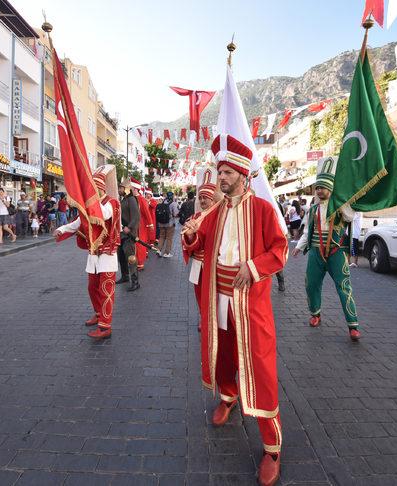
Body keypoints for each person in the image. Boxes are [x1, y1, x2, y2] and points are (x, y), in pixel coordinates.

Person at [182, 135, 287, 486]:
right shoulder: (214, 211)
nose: (221, 177)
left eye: (227, 172)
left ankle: (272, 448)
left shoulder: (262, 210)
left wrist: (254, 267)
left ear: (243, 174)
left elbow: (279, 249)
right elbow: (201, 244)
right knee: (224, 354)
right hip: (219, 298)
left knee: (260, 369)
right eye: (219, 171)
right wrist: (191, 235)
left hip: (250, 305)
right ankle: (228, 397)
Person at [292, 157, 361, 341]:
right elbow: (307, 231)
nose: (319, 190)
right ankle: (315, 314)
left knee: (344, 287)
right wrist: (299, 247)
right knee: (311, 284)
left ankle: (353, 325)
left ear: (331, 188)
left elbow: (351, 216)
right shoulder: (313, 209)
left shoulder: (341, 207)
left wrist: (343, 199)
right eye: (318, 188)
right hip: (315, 251)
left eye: (322, 187)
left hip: (336, 253)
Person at [54, 165, 121, 340]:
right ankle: (98, 314)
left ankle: (105, 326)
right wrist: (61, 230)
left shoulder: (111, 203)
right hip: (93, 254)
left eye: (93, 189)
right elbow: (77, 222)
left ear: (100, 188)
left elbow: (104, 215)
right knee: (92, 287)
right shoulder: (91, 205)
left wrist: (91, 201)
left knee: (106, 290)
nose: (90, 193)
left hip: (107, 254)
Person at [183, 171, 218, 331]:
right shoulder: (195, 216)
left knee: (214, 294)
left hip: (215, 263)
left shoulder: (220, 215)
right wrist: (189, 236)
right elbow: (187, 240)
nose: (203, 200)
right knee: (199, 293)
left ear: (213, 198)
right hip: (198, 262)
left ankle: (213, 319)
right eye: (201, 197)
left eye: (206, 197)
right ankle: (204, 317)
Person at [117, 178, 140, 291]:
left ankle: (135, 282)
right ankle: (125, 276)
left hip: (129, 234)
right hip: (121, 234)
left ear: (126, 189)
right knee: (121, 257)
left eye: (121, 188)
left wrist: (129, 227)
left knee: (131, 258)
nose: (119, 189)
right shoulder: (123, 200)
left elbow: (136, 216)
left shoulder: (131, 199)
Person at [131, 179, 154, 272]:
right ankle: (134, 260)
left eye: (131, 188)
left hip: (141, 226)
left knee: (140, 244)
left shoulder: (141, 199)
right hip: (133, 225)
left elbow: (146, 212)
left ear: (135, 189)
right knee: (134, 244)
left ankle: (140, 263)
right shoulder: (131, 198)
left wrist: (150, 224)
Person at [157, 191, 179, 258]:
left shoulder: (162, 202)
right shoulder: (173, 203)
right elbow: (175, 214)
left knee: (162, 237)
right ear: (172, 196)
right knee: (169, 238)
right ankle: (167, 253)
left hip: (161, 223)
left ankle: (159, 250)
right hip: (169, 224)